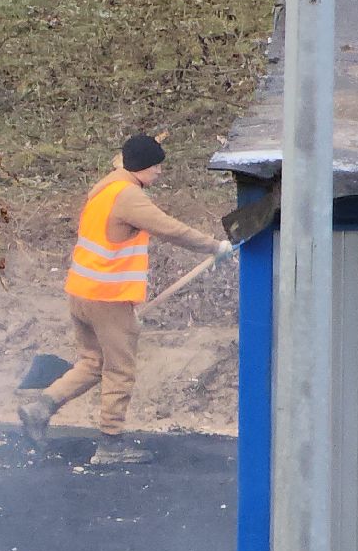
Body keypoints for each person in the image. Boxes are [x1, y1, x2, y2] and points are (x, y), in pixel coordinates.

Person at [17, 135, 230, 464]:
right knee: (120, 370)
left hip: (82, 292)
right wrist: (214, 246)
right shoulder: (128, 196)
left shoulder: (106, 188)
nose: (160, 171)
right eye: (156, 166)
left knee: (92, 363)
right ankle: (111, 445)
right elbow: (169, 228)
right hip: (108, 298)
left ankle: (40, 408)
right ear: (141, 166)